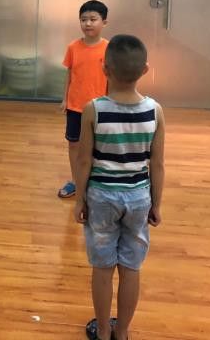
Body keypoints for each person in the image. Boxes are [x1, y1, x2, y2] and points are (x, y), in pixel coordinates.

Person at [73, 34, 165, 340]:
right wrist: (156, 204)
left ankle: (102, 331)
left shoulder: (93, 109)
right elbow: (157, 164)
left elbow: (84, 161)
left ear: (104, 68)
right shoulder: (155, 111)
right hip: (138, 197)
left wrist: (79, 200)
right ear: (145, 70)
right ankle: (122, 332)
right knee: (131, 267)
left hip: (102, 196)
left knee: (102, 267)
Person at [59, 0, 109, 199]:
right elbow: (69, 74)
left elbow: (112, 78)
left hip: (100, 108)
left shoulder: (109, 48)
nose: (88, 23)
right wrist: (65, 99)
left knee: (98, 146)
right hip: (75, 106)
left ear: (104, 22)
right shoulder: (73, 47)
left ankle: (94, 181)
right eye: (83, 19)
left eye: (93, 19)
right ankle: (76, 181)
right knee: (74, 144)